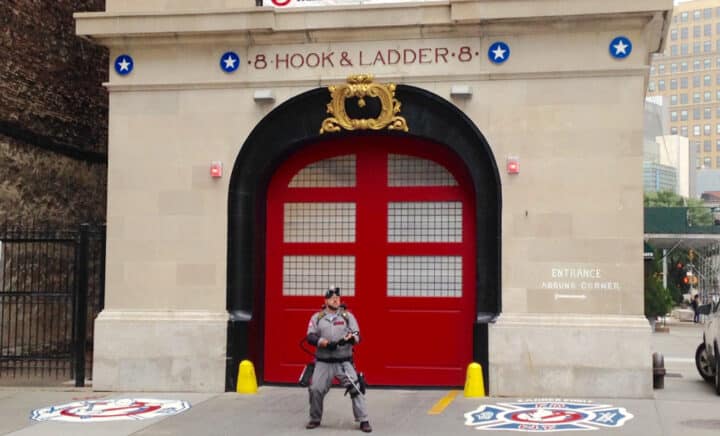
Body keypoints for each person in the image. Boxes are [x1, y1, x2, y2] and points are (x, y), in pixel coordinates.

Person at [305, 286, 371, 433]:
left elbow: (357, 335)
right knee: (315, 389)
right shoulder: (317, 317)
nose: (335, 299)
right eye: (332, 297)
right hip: (324, 362)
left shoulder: (347, 317)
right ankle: (315, 418)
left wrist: (350, 339)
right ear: (326, 300)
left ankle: (363, 420)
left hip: (343, 361)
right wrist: (326, 343)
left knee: (356, 387)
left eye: (337, 297)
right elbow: (310, 337)